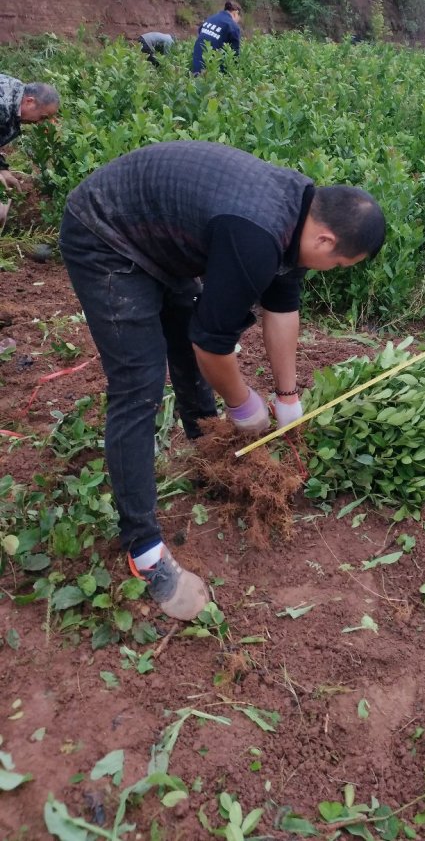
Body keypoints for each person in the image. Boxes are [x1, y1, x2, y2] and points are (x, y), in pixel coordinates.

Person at [59, 140, 386, 619]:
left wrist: (287, 395)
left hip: (160, 241)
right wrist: (244, 405)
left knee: (187, 321)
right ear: (326, 243)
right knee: (139, 384)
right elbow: (211, 345)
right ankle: (144, 550)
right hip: (105, 233)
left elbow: (283, 309)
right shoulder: (256, 234)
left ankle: (208, 448)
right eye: (339, 266)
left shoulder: (297, 215)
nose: (332, 272)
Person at [0, 75, 60, 229]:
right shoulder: (3, 105)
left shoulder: (17, 92)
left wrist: (3, 170)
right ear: (30, 101)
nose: (39, 123)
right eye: (42, 117)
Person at [191, 0, 242, 75]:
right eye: (238, 19)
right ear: (236, 13)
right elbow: (235, 55)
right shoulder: (232, 26)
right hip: (211, 72)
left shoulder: (211, 18)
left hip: (196, 65)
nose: (237, 22)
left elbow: (200, 32)